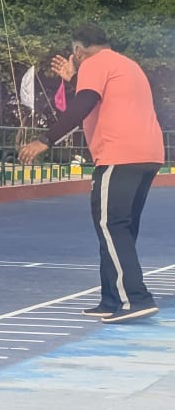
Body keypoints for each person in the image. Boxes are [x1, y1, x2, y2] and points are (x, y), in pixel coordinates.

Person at [19, 24, 164, 323]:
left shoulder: (95, 64)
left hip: (118, 155)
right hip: (148, 155)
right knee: (118, 228)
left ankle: (135, 298)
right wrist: (75, 80)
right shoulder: (126, 64)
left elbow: (82, 106)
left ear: (78, 51)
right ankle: (111, 298)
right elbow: (102, 100)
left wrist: (45, 139)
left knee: (111, 226)